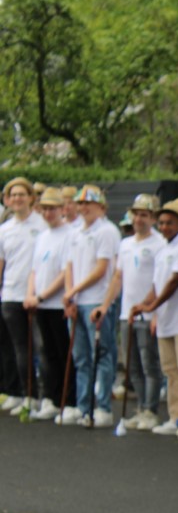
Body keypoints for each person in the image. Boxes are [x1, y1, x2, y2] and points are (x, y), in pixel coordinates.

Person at [130, 199, 178, 440]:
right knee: (170, 370)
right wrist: (145, 306)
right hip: (163, 319)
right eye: (161, 223)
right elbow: (157, 284)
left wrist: (152, 305)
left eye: (170, 223)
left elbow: (174, 281)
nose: (164, 227)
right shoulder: (162, 249)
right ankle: (175, 416)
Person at [96, 194, 165, 431]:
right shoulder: (125, 244)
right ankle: (141, 408)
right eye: (136, 214)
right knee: (132, 366)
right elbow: (118, 277)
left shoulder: (159, 244)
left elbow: (160, 281)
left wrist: (154, 310)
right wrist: (105, 305)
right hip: (127, 313)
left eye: (144, 215)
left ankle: (151, 410)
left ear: (153, 218)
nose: (138, 219)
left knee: (149, 365)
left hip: (147, 314)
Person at [63, 185, 121, 428]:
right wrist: (70, 295)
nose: (84, 207)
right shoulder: (75, 232)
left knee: (102, 355)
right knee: (81, 357)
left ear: (101, 206)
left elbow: (101, 269)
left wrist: (74, 291)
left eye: (89, 203)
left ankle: (103, 407)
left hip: (97, 300)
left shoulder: (107, 231)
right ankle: (83, 406)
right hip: (78, 302)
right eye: (81, 203)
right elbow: (69, 266)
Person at [24, 187, 78, 424]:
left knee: (64, 353)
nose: (48, 213)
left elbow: (65, 272)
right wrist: (30, 295)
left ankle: (68, 401)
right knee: (47, 353)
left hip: (58, 304)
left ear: (62, 209)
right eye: (44, 209)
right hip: (41, 305)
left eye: (52, 209)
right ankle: (52, 399)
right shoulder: (42, 236)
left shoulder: (70, 235)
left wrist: (42, 296)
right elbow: (34, 270)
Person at [0, 177, 46, 414]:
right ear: (7, 200)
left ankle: (43, 397)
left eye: (21, 194)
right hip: (10, 294)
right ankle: (21, 394)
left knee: (41, 348)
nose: (17, 199)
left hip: (38, 296)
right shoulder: (4, 229)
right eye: (13, 195)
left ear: (31, 198)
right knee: (16, 348)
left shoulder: (42, 225)